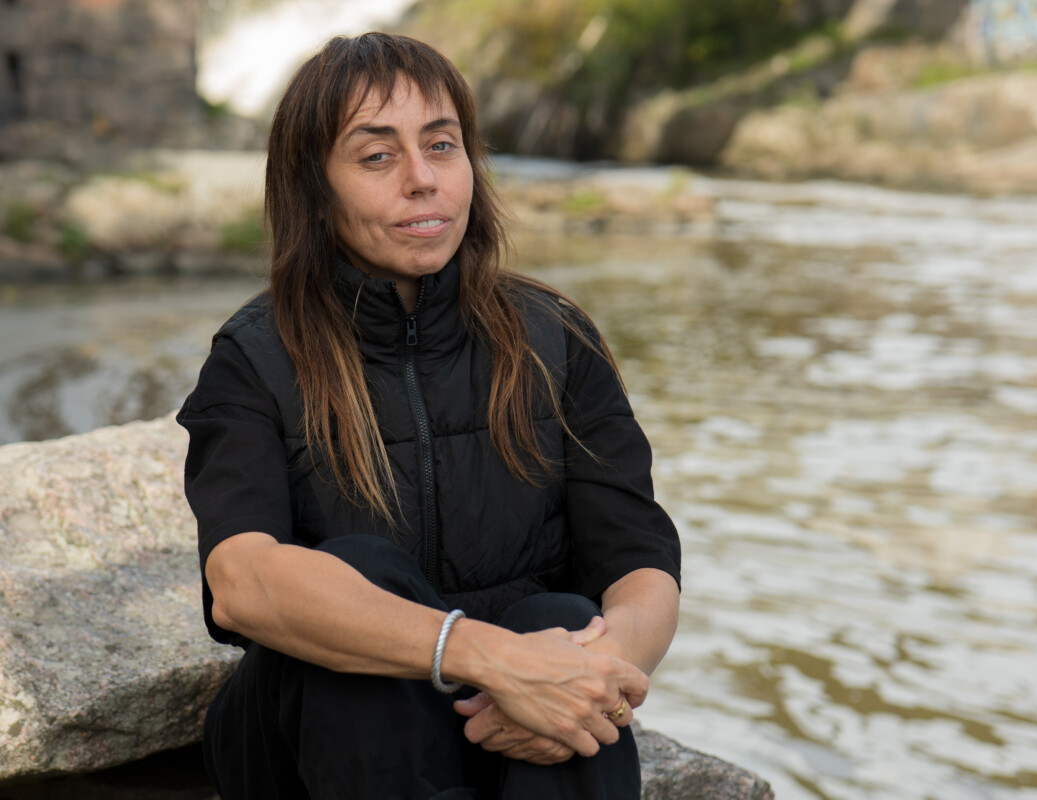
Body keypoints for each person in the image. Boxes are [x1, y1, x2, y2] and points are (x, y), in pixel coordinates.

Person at [176, 31, 682, 800]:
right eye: (377, 156)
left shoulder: (555, 338)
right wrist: (481, 655)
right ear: (315, 188)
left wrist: (591, 680)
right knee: (357, 582)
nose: (423, 180)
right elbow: (242, 580)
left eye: (442, 146)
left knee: (564, 616)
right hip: (312, 739)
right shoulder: (256, 358)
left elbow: (640, 564)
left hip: (506, 722)